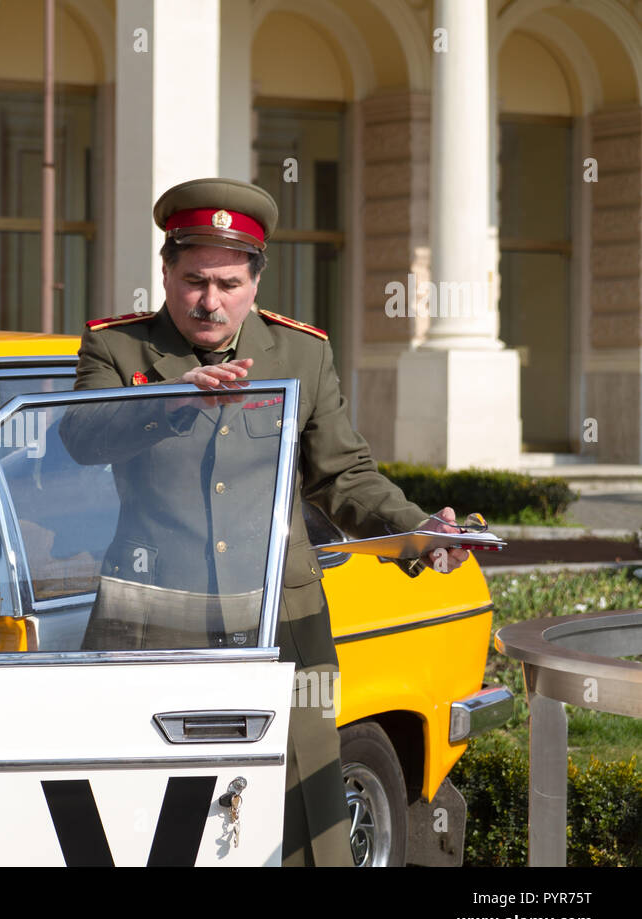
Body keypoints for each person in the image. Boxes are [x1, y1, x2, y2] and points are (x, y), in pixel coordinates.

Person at [61, 177, 471, 867]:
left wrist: (418, 527)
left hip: (284, 618)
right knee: (145, 804)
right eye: (192, 280)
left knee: (305, 802)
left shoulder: (301, 354)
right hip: (151, 612)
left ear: (255, 281)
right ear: (165, 272)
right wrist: (170, 399)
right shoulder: (119, 350)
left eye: (226, 282)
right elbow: (79, 437)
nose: (208, 300)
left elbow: (344, 474)